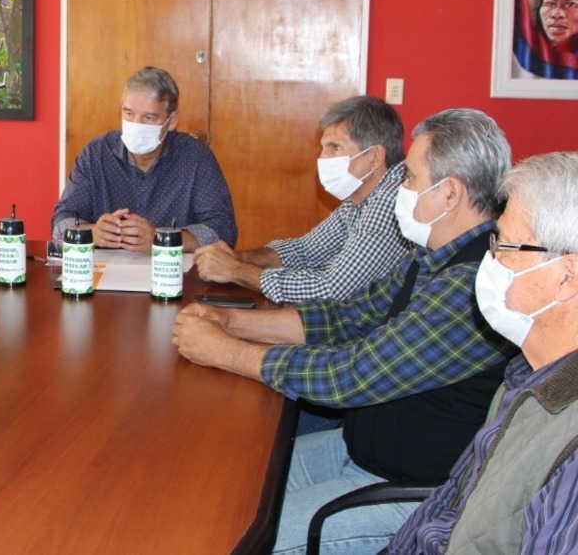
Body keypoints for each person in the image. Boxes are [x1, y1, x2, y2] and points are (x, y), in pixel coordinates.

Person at [172, 109, 516, 555]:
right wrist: (233, 322)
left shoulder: (472, 284)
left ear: (449, 193)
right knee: (215, 489)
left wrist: (226, 352)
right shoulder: (430, 256)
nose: (399, 187)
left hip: (412, 490)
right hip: (361, 451)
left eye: (409, 177)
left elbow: (352, 375)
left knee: (225, 539)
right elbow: (346, 317)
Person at [386, 152, 578, 554]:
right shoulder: (527, 374)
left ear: (566, 277)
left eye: (504, 245)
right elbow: (450, 505)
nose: (488, 262)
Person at [195, 95, 409, 304]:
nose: (322, 158)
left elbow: (332, 289)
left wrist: (236, 271)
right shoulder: (360, 198)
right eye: (323, 147)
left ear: (374, 157)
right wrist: (238, 258)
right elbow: (306, 251)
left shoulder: (390, 201)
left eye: (335, 147)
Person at [51, 66, 236, 252]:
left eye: (149, 117)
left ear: (171, 121)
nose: (136, 125)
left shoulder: (196, 158)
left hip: (172, 273)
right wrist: (91, 233)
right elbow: (61, 221)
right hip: (109, 273)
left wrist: (161, 239)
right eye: (129, 114)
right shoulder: (96, 153)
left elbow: (223, 230)